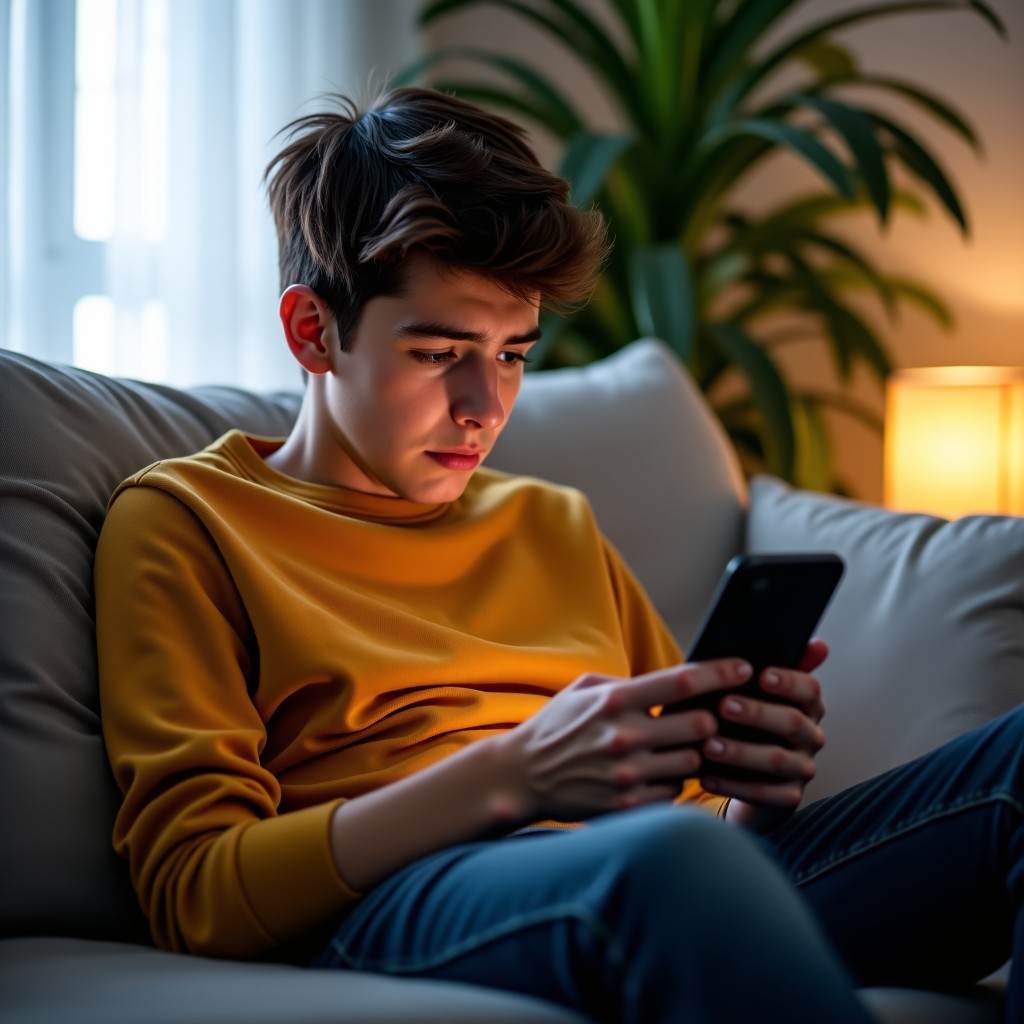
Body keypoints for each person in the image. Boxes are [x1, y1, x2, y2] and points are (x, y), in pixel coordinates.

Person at [94, 87, 1020, 1024]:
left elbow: (701, 821)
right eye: (440, 351)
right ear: (313, 331)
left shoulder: (553, 521)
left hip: (655, 872)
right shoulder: (188, 521)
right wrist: (514, 775)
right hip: (397, 894)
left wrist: (754, 787)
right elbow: (197, 892)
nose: (484, 406)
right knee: (667, 861)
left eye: (511, 355)